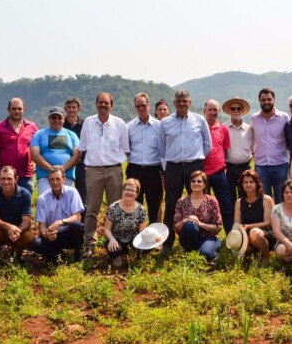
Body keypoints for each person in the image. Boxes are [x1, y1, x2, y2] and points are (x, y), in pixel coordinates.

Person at [159, 90, 213, 250]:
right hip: (174, 168)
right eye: (179, 101)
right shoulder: (165, 122)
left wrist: (195, 158)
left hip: (194, 167)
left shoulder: (200, 120)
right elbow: (162, 148)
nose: (182, 103)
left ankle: (203, 240)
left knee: (201, 203)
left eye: (185, 101)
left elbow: (207, 145)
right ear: (174, 103)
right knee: (171, 205)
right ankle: (167, 243)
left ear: (189, 102)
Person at [79, 92, 130, 257]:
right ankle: (89, 244)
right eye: (100, 102)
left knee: (115, 208)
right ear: (96, 104)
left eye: (106, 103)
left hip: (114, 170)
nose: (103, 105)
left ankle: (115, 242)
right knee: (92, 208)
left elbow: (126, 149)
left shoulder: (119, 124)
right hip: (93, 170)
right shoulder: (88, 122)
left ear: (111, 105)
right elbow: (83, 148)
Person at [0, 166, 37, 263]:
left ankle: (14, 257)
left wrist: (19, 230)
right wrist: (8, 227)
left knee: (29, 236)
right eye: (3, 178)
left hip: (17, 232)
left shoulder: (25, 194)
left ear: (16, 179)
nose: (6, 182)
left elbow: (26, 221)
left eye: (9, 179)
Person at [31, 167, 85, 264]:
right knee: (36, 244)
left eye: (58, 179)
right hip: (53, 236)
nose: (55, 182)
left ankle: (78, 257)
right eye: (52, 179)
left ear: (64, 180)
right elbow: (42, 225)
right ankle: (59, 258)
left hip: (69, 234)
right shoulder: (42, 198)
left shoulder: (72, 192)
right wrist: (45, 234)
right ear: (48, 181)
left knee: (77, 226)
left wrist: (60, 222)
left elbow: (77, 216)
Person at [0, 98, 38, 193]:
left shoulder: (32, 127)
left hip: (25, 175)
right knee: (3, 205)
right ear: (8, 109)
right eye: (14, 109)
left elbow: (36, 148)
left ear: (24, 109)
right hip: (5, 176)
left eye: (19, 108)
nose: (17, 111)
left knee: (24, 204)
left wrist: (35, 162)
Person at [126, 93, 164, 224]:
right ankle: (136, 237)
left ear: (149, 106)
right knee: (134, 204)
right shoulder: (129, 127)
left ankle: (155, 236)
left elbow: (163, 149)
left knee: (155, 205)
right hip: (134, 170)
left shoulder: (159, 126)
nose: (141, 108)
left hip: (154, 170)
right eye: (138, 106)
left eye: (143, 105)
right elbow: (126, 149)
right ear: (135, 108)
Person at [173, 170, 223, 263]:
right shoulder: (181, 202)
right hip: (188, 238)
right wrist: (185, 220)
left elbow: (218, 227)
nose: (196, 183)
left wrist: (200, 224)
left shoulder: (212, 201)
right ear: (190, 184)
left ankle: (213, 255)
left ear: (204, 185)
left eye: (199, 181)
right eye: (193, 181)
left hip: (209, 236)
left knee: (205, 254)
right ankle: (189, 251)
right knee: (190, 225)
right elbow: (176, 227)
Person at [251, 88, 291, 200]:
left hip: (280, 165)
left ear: (274, 100)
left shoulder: (284, 118)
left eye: (269, 99)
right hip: (261, 166)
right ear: (259, 101)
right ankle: (267, 219)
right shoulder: (254, 118)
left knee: (282, 199)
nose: (266, 102)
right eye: (263, 100)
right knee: (264, 200)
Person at [30, 107, 81, 195]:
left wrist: (62, 169)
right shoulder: (39, 134)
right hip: (45, 177)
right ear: (48, 119)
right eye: (53, 117)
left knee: (66, 206)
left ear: (64, 119)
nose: (56, 120)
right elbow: (35, 154)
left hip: (66, 176)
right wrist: (51, 169)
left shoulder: (72, 135)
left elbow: (76, 155)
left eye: (59, 118)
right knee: (47, 204)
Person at [202, 99, 234, 233]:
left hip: (220, 173)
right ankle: (205, 236)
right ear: (204, 111)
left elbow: (225, 150)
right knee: (203, 208)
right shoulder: (200, 127)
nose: (213, 112)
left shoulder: (223, 129)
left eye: (215, 110)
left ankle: (231, 237)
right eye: (210, 109)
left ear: (219, 111)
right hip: (202, 174)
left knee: (226, 206)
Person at [103, 178, 149, 268]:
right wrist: (112, 239)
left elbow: (142, 230)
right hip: (116, 239)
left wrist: (149, 241)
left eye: (133, 191)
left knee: (148, 247)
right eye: (127, 189)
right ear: (123, 191)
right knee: (114, 250)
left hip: (133, 240)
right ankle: (117, 256)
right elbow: (107, 229)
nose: (129, 192)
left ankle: (135, 256)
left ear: (137, 194)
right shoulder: (113, 207)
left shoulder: (141, 209)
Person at [233, 170, 275, 265]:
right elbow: (237, 224)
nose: (248, 184)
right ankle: (254, 255)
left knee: (254, 232)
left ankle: (266, 257)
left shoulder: (266, 199)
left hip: (265, 233)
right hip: (246, 231)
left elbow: (268, 222)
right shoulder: (239, 202)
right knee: (241, 241)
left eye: (251, 182)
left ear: (257, 183)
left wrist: (250, 226)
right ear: (242, 185)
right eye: (245, 182)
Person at [63, 97, 87, 203]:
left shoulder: (86, 124)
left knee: (83, 196)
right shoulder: (60, 124)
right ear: (65, 109)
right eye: (69, 107)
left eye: (74, 107)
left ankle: (82, 219)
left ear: (79, 109)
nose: (71, 109)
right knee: (66, 195)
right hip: (65, 165)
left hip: (82, 165)